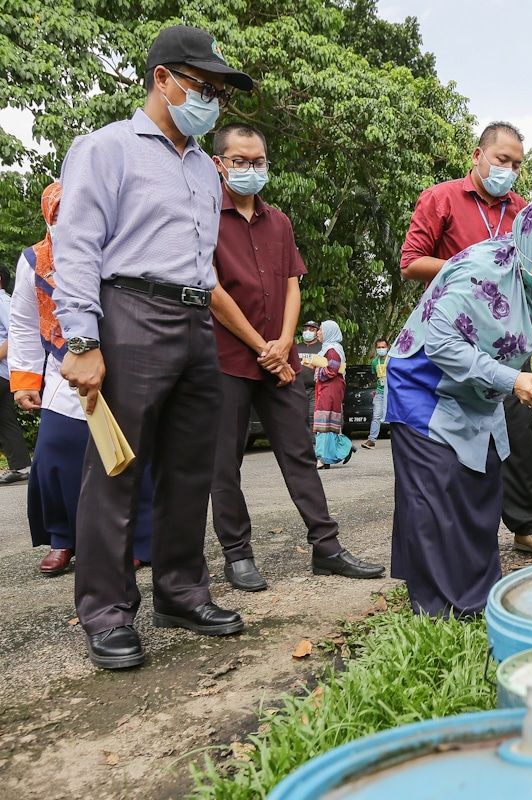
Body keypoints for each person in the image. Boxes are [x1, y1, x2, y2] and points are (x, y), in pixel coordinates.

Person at [53, 24, 254, 670]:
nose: (212, 103)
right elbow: (77, 244)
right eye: (203, 87)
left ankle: (180, 590)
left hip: (197, 320)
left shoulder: (203, 167)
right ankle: (108, 611)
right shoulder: (106, 149)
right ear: (162, 79)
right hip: (130, 311)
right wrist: (81, 337)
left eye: (220, 93)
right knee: (118, 470)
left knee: (191, 465)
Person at [387, 198, 532, 617]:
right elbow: (441, 342)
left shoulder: (527, 277)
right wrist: (510, 380)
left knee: (480, 485)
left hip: (476, 393)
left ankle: (478, 594)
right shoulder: (482, 270)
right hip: (427, 386)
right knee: (437, 493)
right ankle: (439, 608)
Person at [208, 123, 383, 592]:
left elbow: (290, 284)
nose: (250, 169)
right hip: (226, 358)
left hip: (280, 359)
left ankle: (326, 548)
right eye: (240, 161)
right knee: (224, 462)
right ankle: (237, 555)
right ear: (219, 164)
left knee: (299, 453)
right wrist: (261, 345)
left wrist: (284, 341)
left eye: (258, 161)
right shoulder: (203, 216)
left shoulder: (279, 222)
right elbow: (212, 291)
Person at [400, 121, 532, 560]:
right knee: (459, 440)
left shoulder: (524, 211)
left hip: (510, 341)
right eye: (501, 159)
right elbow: (411, 262)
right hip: (457, 336)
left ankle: (528, 526)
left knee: (520, 430)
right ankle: (467, 534)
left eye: (516, 164)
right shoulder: (441, 198)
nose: (508, 169)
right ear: (478, 156)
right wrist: (474, 267)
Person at [9, 182, 153, 575]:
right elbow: (22, 324)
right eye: (60, 214)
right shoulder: (34, 261)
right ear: (49, 217)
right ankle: (64, 538)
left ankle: (138, 539)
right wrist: (23, 381)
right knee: (56, 454)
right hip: (63, 371)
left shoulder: (118, 247)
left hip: (124, 365)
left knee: (129, 455)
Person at [0, 265, 32, 484]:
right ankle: (21, 466)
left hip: (1, 372)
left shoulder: (3, 302)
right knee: (5, 419)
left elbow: (16, 334)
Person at [313, 320, 353, 467]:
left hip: (330, 387)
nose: (318, 332)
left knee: (325, 420)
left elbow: (332, 369)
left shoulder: (332, 349)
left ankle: (323, 457)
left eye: (321, 330)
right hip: (328, 387)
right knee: (326, 421)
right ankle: (332, 453)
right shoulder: (329, 348)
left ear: (329, 332)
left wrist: (318, 371)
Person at [362, 338, 389, 449]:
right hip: (380, 392)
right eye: (379, 347)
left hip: (392, 392)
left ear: (388, 347)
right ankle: (371, 440)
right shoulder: (374, 362)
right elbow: (376, 377)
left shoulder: (392, 359)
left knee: (397, 416)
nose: (381, 349)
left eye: (383, 347)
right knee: (376, 416)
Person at [296, 320, 322, 431]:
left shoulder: (322, 348)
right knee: (298, 417)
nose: (308, 331)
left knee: (312, 417)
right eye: (306, 329)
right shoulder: (296, 347)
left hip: (314, 389)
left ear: (317, 332)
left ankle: (313, 445)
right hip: (297, 389)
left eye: (312, 329)